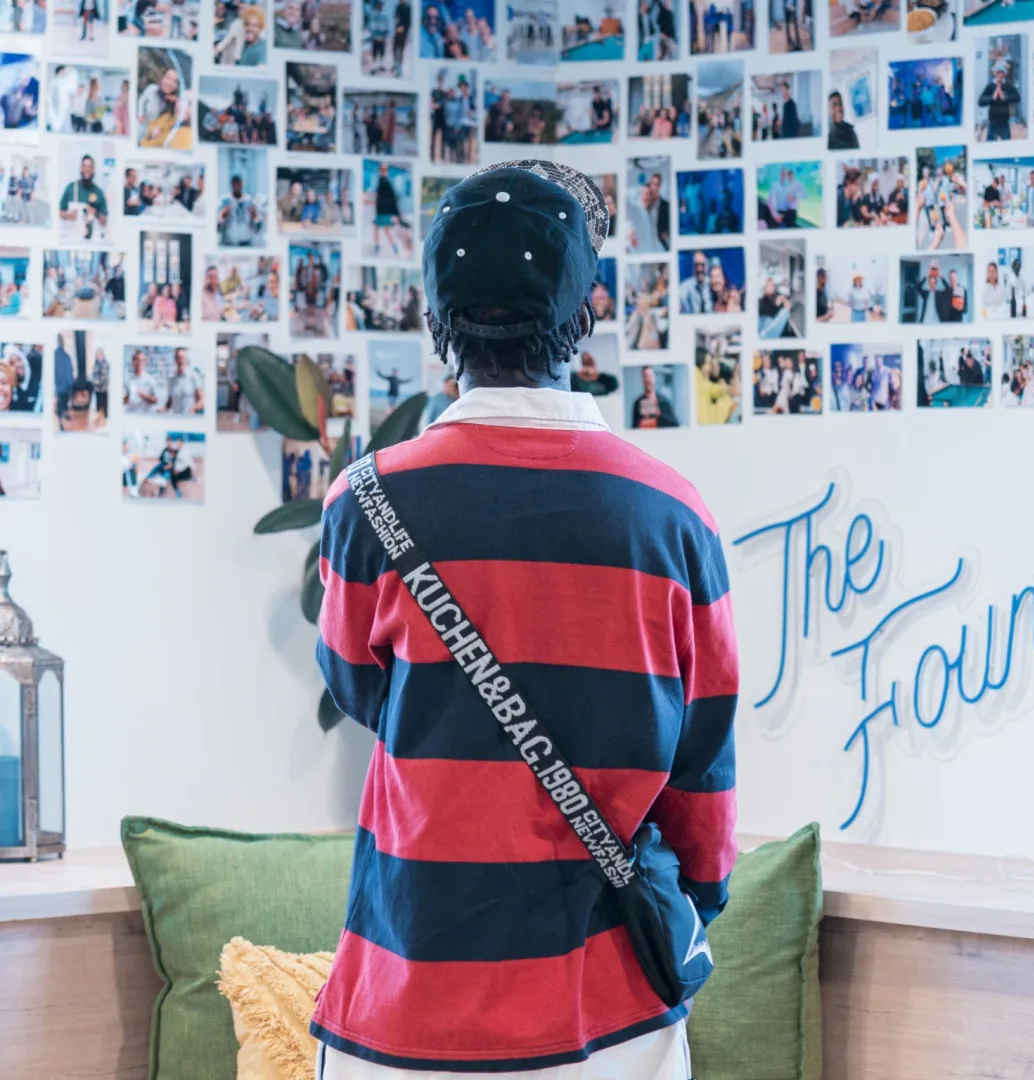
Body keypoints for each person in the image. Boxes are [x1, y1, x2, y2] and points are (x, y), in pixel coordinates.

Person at [313, 161, 737, 1080]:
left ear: (437, 321)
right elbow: (703, 766)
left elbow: (359, 691)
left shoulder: (363, 503)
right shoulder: (674, 517)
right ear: (584, 315)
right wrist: (692, 902)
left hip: (404, 1003)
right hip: (613, 1012)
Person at [59, 154, 109, 241]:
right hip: (72, 239)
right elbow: (60, 213)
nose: (87, 169)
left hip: (93, 241)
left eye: (90, 167)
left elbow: (104, 222)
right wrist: (70, 215)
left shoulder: (99, 192)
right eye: (84, 166)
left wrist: (95, 214)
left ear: (93, 170)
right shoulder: (71, 188)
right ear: (81, 168)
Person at [978, 60, 1019, 141]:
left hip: (1004, 121)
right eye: (998, 72)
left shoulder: (1008, 86)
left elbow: (1017, 98)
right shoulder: (990, 86)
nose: (1000, 75)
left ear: (1004, 74)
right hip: (992, 121)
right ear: (995, 73)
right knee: (990, 145)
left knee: (1006, 145)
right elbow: (980, 101)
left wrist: (1005, 97)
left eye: (1002, 72)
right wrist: (992, 98)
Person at [219, 173, 263, 246]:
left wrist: (255, 217)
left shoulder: (250, 201)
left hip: (246, 244)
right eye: (234, 183)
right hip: (229, 244)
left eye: (238, 183)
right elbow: (217, 228)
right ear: (231, 184)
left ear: (242, 184)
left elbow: (259, 228)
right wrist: (222, 217)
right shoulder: (225, 201)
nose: (236, 185)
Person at [166, 347, 203, 414]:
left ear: (186, 359)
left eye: (182, 358)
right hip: (175, 417)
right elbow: (170, 401)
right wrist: (163, 409)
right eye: (178, 358)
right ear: (175, 360)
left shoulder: (194, 376)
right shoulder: (171, 380)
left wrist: (193, 409)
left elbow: (201, 400)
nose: (180, 361)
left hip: (189, 417)